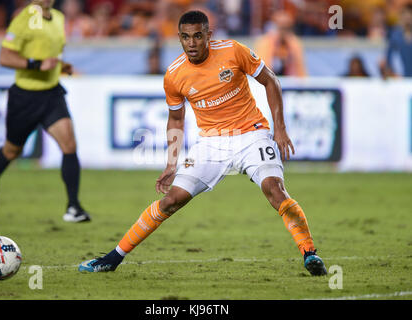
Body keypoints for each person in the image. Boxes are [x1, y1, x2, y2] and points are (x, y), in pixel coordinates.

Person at [79, 10, 326, 276]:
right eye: (186, 37)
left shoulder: (233, 51)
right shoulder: (174, 75)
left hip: (251, 135)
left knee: (274, 190)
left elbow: (271, 81)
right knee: (171, 201)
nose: (192, 43)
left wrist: (280, 129)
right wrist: (171, 162)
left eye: (198, 36)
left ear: (209, 35)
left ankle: (309, 253)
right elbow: (175, 120)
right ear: (179, 38)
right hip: (211, 144)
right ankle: (112, 259)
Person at [0, 0, 91, 223]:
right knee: (12, 150)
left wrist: (61, 66)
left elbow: (51, 57)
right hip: (25, 96)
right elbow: (4, 57)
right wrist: (35, 65)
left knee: (69, 144)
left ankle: (73, 206)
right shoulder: (23, 19)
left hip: (51, 94)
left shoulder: (58, 18)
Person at [254, 11, 307, 77]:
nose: (283, 31)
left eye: (286, 28)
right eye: (281, 28)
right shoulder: (264, 43)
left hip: (290, 83)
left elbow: (300, 71)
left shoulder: (294, 43)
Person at [384, 3, 412, 77]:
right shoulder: (395, 35)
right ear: (401, 17)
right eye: (405, 15)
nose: (408, 18)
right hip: (400, 78)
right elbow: (390, 56)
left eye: (410, 15)